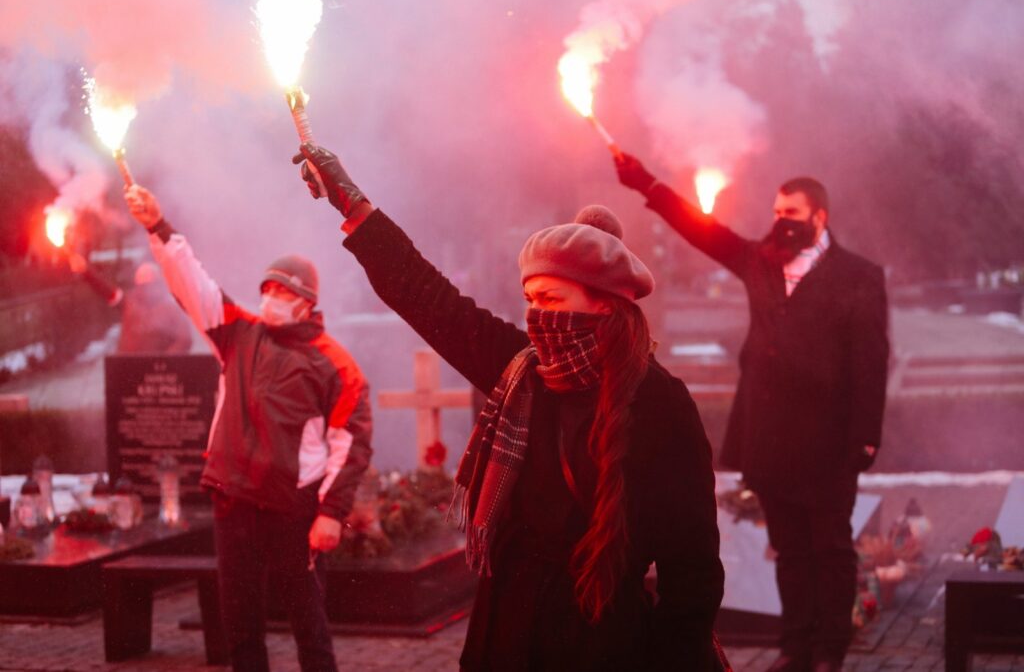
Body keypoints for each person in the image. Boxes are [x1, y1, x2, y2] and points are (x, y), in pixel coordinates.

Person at [292, 143, 725, 671]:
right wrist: (352, 204)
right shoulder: (525, 371)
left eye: (553, 300)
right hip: (506, 636)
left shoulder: (660, 403)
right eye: (531, 299)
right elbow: (429, 299)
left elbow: (693, 568)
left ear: (605, 302)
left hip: (602, 645)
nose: (538, 317)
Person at [615, 153, 889, 672]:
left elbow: (871, 362)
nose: (780, 219)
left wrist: (865, 440)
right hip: (772, 436)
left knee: (830, 549)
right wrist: (646, 183)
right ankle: (794, 647)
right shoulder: (759, 261)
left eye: (792, 211)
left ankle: (830, 652)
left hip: (829, 442)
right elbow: (705, 232)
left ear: (819, 218)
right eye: (776, 209)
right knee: (787, 549)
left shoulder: (859, 276)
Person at [122, 184, 373, 672]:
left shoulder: (334, 365)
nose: (272, 299)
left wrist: (330, 514)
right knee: (240, 629)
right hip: (233, 499)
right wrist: (158, 227)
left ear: (307, 302)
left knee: (309, 626)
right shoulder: (237, 334)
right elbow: (192, 283)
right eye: (268, 290)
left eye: (285, 292)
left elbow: (351, 444)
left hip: (292, 510)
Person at [69, 254, 193, 354]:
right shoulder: (129, 302)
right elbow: (106, 291)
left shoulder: (171, 308)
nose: (147, 290)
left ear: (158, 284)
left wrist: (165, 361)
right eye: (143, 285)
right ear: (137, 284)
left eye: (151, 284)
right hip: (130, 368)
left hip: (158, 373)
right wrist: (86, 272)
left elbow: (184, 339)